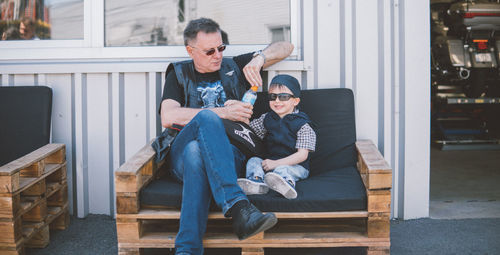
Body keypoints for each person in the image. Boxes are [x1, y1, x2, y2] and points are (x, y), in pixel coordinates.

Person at [159, 17, 294, 255]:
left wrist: (260, 58)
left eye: (221, 48)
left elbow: (286, 46)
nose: (217, 55)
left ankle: (186, 250)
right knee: (206, 121)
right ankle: (238, 205)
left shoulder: (235, 67)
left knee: (196, 154)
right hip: (179, 158)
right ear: (191, 51)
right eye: (209, 51)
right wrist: (223, 112)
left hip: (231, 157)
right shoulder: (179, 74)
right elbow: (168, 116)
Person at [237, 75, 316, 199]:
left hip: (296, 166)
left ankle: (287, 185)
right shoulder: (267, 118)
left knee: (283, 170)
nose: (277, 101)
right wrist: (243, 116)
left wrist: (276, 164)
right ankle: (256, 182)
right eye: (272, 97)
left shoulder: (302, 125)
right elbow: (249, 132)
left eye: (283, 97)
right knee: (253, 161)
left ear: (295, 101)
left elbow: (302, 155)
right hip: (270, 164)